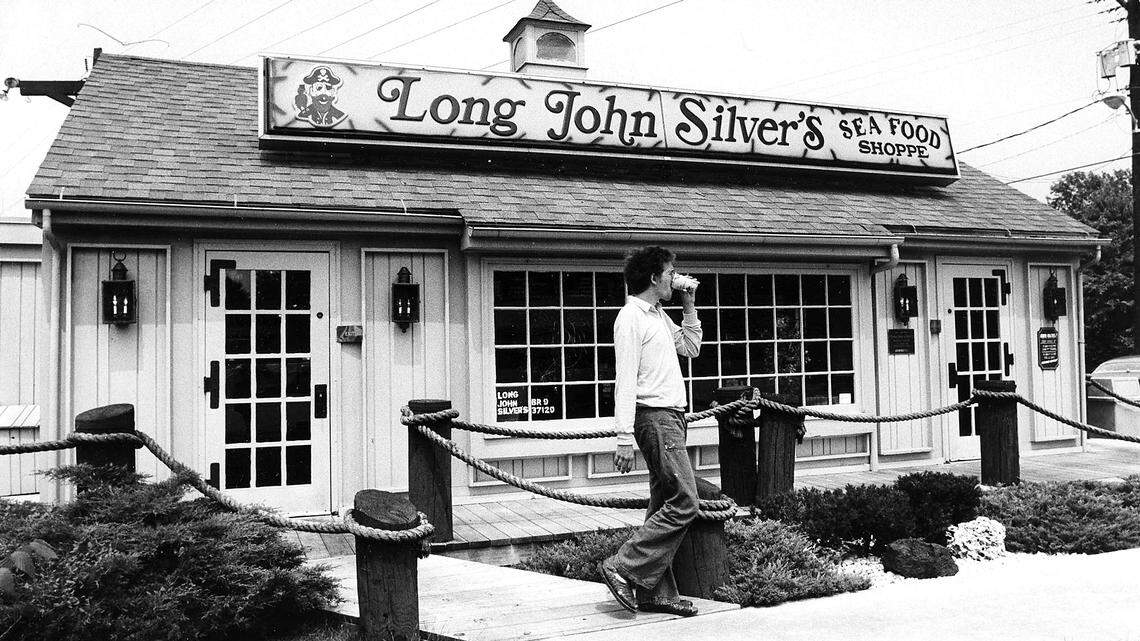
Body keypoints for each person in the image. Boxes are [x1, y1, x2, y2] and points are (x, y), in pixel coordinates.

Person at [598, 246, 702, 617]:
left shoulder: (658, 315)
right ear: (654, 278)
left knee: (662, 504)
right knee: (686, 500)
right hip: (654, 417)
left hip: (672, 418)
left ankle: (656, 593)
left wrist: (688, 307)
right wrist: (622, 436)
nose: (676, 279)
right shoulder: (631, 318)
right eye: (671, 273)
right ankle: (622, 566)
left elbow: (690, 347)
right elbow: (624, 379)